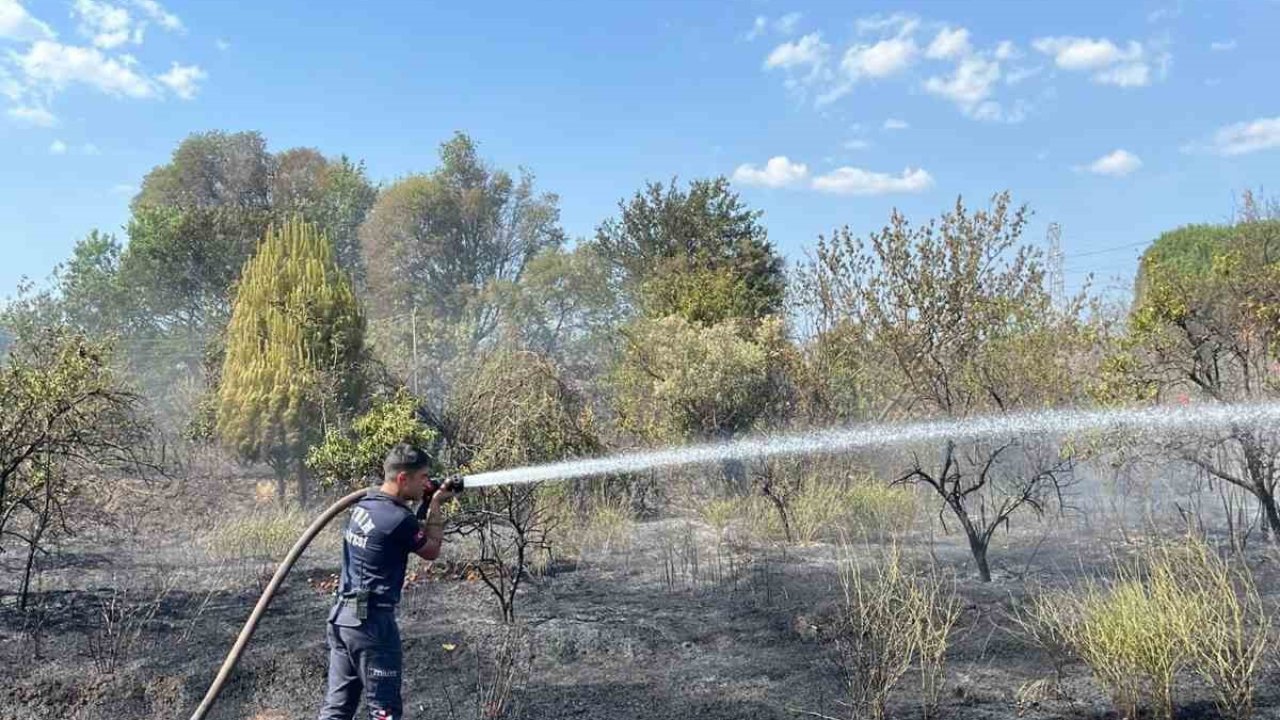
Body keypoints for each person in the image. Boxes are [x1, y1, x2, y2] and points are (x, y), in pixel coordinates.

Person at [317, 443, 459, 720]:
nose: (427, 483)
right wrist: (437, 504)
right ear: (403, 478)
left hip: (343, 619)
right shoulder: (397, 518)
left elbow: (399, 533)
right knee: (384, 712)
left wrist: (426, 501)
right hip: (372, 627)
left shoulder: (367, 505)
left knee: (336, 711)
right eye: (422, 478)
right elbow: (430, 550)